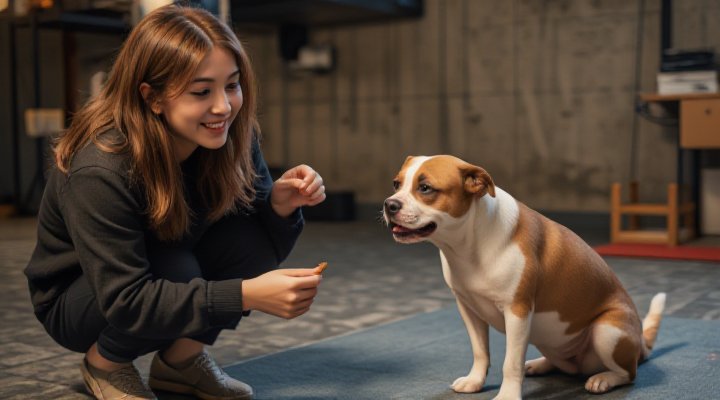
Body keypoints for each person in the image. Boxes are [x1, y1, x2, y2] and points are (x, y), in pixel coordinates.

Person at [23, 4, 326, 400]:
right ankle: (105, 363)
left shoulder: (233, 133)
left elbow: (260, 247)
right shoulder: (102, 166)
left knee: (247, 236)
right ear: (152, 97)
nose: (223, 107)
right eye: (201, 91)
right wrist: (245, 295)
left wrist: (281, 207)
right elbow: (126, 299)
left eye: (231, 85)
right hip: (82, 299)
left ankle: (180, 363)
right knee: (177, 267)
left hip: (169, 260)